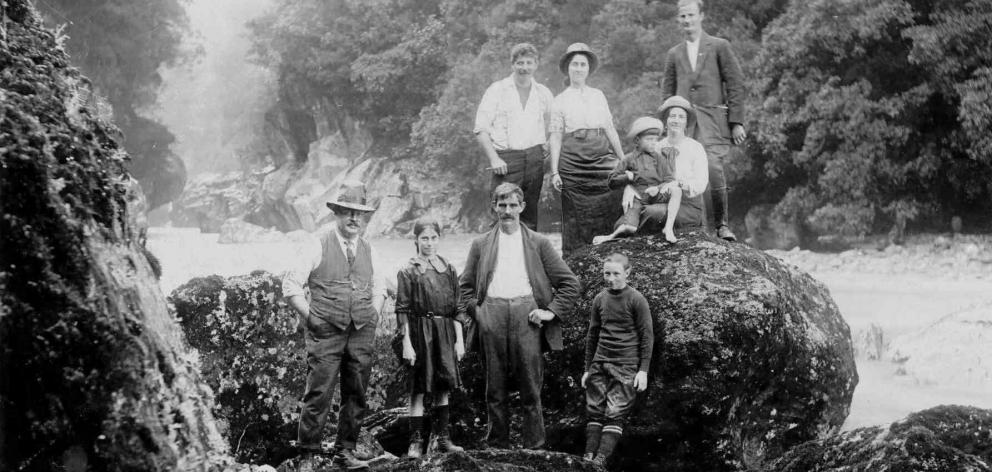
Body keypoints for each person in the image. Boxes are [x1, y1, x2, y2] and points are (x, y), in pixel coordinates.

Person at [459, 182, 581, 449]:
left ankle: (534, 449)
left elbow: (570, 284)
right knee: (495, 390)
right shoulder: (480, 244)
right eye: (502, 205)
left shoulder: (539, 242)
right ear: (494, 207)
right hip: (492, 314)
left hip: (527, 317)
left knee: (530, 388)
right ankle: (497, 448)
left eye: (513, 205)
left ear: (523, 207)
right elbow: (464, 287)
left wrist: (549, 312)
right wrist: (477, 313)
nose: (507, 211)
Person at [282, 181, 386, 471]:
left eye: (359, 214)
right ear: (336, 214)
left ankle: (345, 452)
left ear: (364, 219)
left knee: (357, 393)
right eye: (347, 212)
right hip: (326, 331)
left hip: (361, 332)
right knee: (319, 392)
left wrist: (374, 314)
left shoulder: (369, 249)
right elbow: (290, 285)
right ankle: (307, 455)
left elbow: (380, 287)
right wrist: (312, 318)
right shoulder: (318, 244)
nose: (353, 219)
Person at [661, 0, 747, 241]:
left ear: (701, 16)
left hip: (714, 122)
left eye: (691, 15)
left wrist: (736, 121)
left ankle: (721, 225)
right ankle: (694, 225)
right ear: (678, 20)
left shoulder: (719, 46)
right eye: (682, 17)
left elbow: (736, 83)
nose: (687, 21)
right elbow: (667, 94)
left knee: (713, 167)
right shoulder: (674, 53)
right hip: (684, 124)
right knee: (682, 171)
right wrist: (667, 124)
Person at [395, 217, 468, 458]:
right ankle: (415, 442)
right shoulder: (408, 270)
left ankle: (443, 439)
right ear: (415, 240)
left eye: (433, 238)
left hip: (445, 331)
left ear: (439, 238)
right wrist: (406, 343)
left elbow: (458, 307)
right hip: (419, 332)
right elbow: (403, 309)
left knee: (443, 384)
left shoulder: (449, 268)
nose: (429, 243)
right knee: (418, 387)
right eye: (424, 238)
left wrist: (459, 341)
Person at [548, 42, 626, 255]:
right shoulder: (559, 100)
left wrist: (624, 159)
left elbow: (610, 128)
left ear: (588, 69)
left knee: (617, 183)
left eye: (583, 64)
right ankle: (575, 255)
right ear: (568, 68)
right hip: (572, 158)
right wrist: (555, 171)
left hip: (600, 153)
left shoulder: (598, 95)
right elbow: (555, 136)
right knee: (573, 205)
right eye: (575, 64)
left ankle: (610, 246)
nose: (579, 68)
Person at [581, 253, 654, 467]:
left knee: (615, 413)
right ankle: (587, 458)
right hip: (600, 363)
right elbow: (592, 334)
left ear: (627, 273)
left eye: (616, 273)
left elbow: (647, 336)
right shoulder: (599, 299)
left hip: (625, 365)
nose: (610, 278)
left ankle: (600, 461)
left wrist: (643, 371)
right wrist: (588, 368)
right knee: (594, 410)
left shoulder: (636, 299)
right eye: (607, 273)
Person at [474, 43, 555, 230]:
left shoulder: (543, 93)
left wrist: (548, 143)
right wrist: (494, 159)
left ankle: (527, 258)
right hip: (506, 160)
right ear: (512, 65)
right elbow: (481, 129)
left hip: (535, 160)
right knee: (501, 213)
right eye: (520, 63)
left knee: (529, 214)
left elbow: (555, 125)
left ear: (536, 64)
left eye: (529, 63)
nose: (524, 67)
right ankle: (497, 258)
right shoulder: (497, 90)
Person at [621, 96, 709, 234]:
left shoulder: (695, 148)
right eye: (672, 116)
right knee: (627, 218)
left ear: (686, 123)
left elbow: (701, 184)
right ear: (665, 121)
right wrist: (629, 188)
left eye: (681, 117)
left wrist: (678, 184)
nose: (676, 120)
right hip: (658, 200)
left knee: (653, 213)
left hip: (687, 206)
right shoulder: (656, 147)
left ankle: (634, 229)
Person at [592, 116, 683, 245]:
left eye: (655, 140)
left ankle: (668, 228)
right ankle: (609, 237)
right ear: (637, 140)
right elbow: (612, 181)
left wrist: (657, 188)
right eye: (649, 139)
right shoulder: (629, 159)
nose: (653, 143)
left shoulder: (659, 158)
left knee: (676, 190)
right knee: (630, 227)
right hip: (638, 198)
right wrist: (627, 178)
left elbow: (669, 179)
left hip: (656, 195)